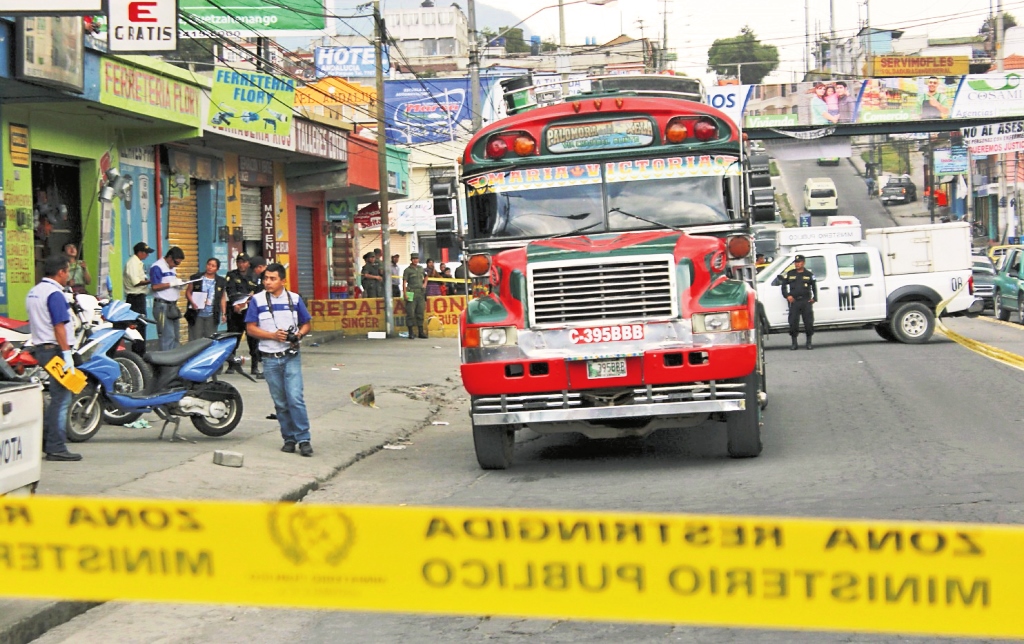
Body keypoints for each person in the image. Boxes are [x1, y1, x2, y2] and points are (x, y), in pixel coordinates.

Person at [245, 263, 313, 457]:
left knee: (295, 398)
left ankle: (304, 438)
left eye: (272, 279)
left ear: (283, 280)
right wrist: (272, 336)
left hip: (290, 355)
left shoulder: (295, 299)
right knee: (281, 402)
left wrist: (298, 334)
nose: (267, 282)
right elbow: (250, 328)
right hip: (269, 358)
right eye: (266, 278)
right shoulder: (257, 300)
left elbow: (306, 323)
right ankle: (289, 439)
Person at [27, 255, 80, 461]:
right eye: (67, 271)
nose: (68, 275)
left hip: (42, 348)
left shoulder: (34, 292)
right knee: (62, 398)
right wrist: (67, 353)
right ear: (60, 272)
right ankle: (56, 446)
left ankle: (47, 441)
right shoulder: (54, 294)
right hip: (56, 350)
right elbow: (59, 327)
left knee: (59, 396)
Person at [150, 246, 185, 351]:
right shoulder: (157, 267)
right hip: (162, 306)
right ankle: (166, 363)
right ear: (169, 257)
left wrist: (179, 285)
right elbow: (155, 286)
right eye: (176, 262)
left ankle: (175, 361)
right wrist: (171, 284)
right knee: (167, 336)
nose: (176, 265)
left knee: (175, 336)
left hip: (172, 305)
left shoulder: (172, 268)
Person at [185, 258, 228, 341]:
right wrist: (192, 302)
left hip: (211, 314)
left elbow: (222, 297)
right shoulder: (196, 278)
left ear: (217, 269)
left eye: (213, 266)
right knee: (196, 339)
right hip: (197, 314)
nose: (210, 267)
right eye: (208, 264)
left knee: (210, 339)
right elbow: (188, 292)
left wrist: (224, 313)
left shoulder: (221, 281)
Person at [781, 254, 818, 350]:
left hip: (806, 301)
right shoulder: (790, 274)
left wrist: (814, 298)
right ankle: (794, 343)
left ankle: (809, 342)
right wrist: (787, 296)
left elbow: (814, 287)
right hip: (795, 302)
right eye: (796, 263)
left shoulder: (809, 274)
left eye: (799, 262)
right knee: (793, 322)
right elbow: (783, 286)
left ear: (803, 263)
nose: (797, 264)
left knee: (808, 322)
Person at [124, 242, 154, 316]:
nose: (147, 255)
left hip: (139, 297)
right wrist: (151, 281)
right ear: (140, 252)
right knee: (138, 323)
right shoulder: (133, 263)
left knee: (142, 322)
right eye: (146, 253)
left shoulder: (137, 262)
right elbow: (136, 282)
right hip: (135, 298)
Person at [403, 252, 428, 339]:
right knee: (410, 313)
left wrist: (424, 284)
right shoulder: (407, 270)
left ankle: (420, 332)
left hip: (420, 293)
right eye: (414, 259)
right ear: (411, 260)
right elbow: (404, 282)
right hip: (411, 292)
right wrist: (405, 293)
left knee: (420, 312)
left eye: (416, 259)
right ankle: (411, 332)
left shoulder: (421, 268)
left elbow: (426, 276)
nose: (415, 260)